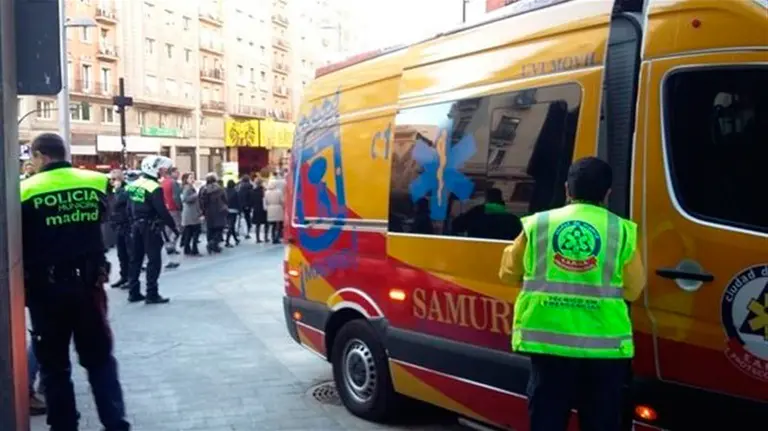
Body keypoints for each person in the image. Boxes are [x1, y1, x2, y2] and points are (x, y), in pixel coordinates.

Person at [498, 157, 646, 431]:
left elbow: (507, 273)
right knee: (600, 421)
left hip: (548, 343)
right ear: (607, 193)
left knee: (548, 419)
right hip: (605, 347)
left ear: (567, 189)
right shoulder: (620, 231)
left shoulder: (538, 225)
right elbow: (634, 289)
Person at [20, 133, 130, 430]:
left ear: (40, 155)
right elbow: (103, 220)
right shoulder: (94, 181)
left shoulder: (25, 190)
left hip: (47, 292)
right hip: (89, 287)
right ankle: (115, 422)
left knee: (55, 367)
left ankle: (64, 425)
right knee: (100, 361)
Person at [125, 155, 179, 304]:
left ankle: (133, 292)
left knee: (135, 259)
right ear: (153, 169)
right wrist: (173, 227)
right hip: (150, 227)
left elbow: (128, 207)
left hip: (136, 226)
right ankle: (151, 293)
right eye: (161, 169)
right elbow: (161, 210)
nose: (163, 172)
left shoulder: (133, 184)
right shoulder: (154, 187)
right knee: (154, 260)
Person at [109, 169, 132, 289]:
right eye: (111, 179)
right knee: (121, 253)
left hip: (127, 224)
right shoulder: (113, 191)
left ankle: (130, 278)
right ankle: (124, 276)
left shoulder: (125, 190)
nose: (112, 182)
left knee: (129, 253)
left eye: (114, 179)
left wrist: (117, 190)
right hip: (118, 224)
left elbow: (119, 202)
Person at [199, 173, 228, 253]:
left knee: (210, 229)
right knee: (219, 228)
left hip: (208, 212)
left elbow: (200, 201)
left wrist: (202, 211)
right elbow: (225, 199)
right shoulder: (219, 188)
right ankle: (214, 244)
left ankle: (210, 243)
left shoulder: (203, 189)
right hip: (219, 211)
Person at [161, 167, 183, 266]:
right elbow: (176, 196)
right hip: (174, 208)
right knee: (177, 228)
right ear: (172, 173)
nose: (178, 174)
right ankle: (171, 246)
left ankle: (169, 246)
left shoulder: (163, 182)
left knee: (167, 229)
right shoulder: (173, 183)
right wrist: (179, 207)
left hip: (166, 208)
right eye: (177, 172)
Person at [179, 172, 202, 256]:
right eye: (191, 178)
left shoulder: (189, 187)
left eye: (193, 178)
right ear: (186, 179)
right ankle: (194, 249)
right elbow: (185, 199)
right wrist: (196, 195)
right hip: (191, 213)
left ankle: (187, 248)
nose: (193, 179)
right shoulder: (187, 188)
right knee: (196, 230)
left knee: (189, 231)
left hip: (190, 212)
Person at [264, 179, 284, 244]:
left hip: (270, 209)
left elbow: (265, 201)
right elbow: (282, 201)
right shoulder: (279, 192)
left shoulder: (266, 192)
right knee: (278, 224)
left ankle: (272, 237)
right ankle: (276, 237)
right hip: (278, 208)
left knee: (273, 225)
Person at [236, 175, 254, 239]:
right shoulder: (250, 186)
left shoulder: (239, 186)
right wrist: (250, 205)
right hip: (247, 205)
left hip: (240, 205)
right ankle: (247, 232)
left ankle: (237, 231)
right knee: (247, 218)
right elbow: (251, 197)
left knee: (239, 218)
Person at [224, 179, 241, 247]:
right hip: (234, 210)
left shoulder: (225, 191)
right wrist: (240, 210)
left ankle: (236, 239)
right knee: (231, 226)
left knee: (231, 225)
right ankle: (227, 241)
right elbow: (238, 202)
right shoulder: (235, 192)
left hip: (226, 209)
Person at [251, 177, 267, 243]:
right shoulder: (263, 190)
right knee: (266, 223)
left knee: (258, 225)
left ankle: (257, 238)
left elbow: (251, 201)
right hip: (263, 208)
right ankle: (266, 237)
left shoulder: (253, 191)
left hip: (256, 209)